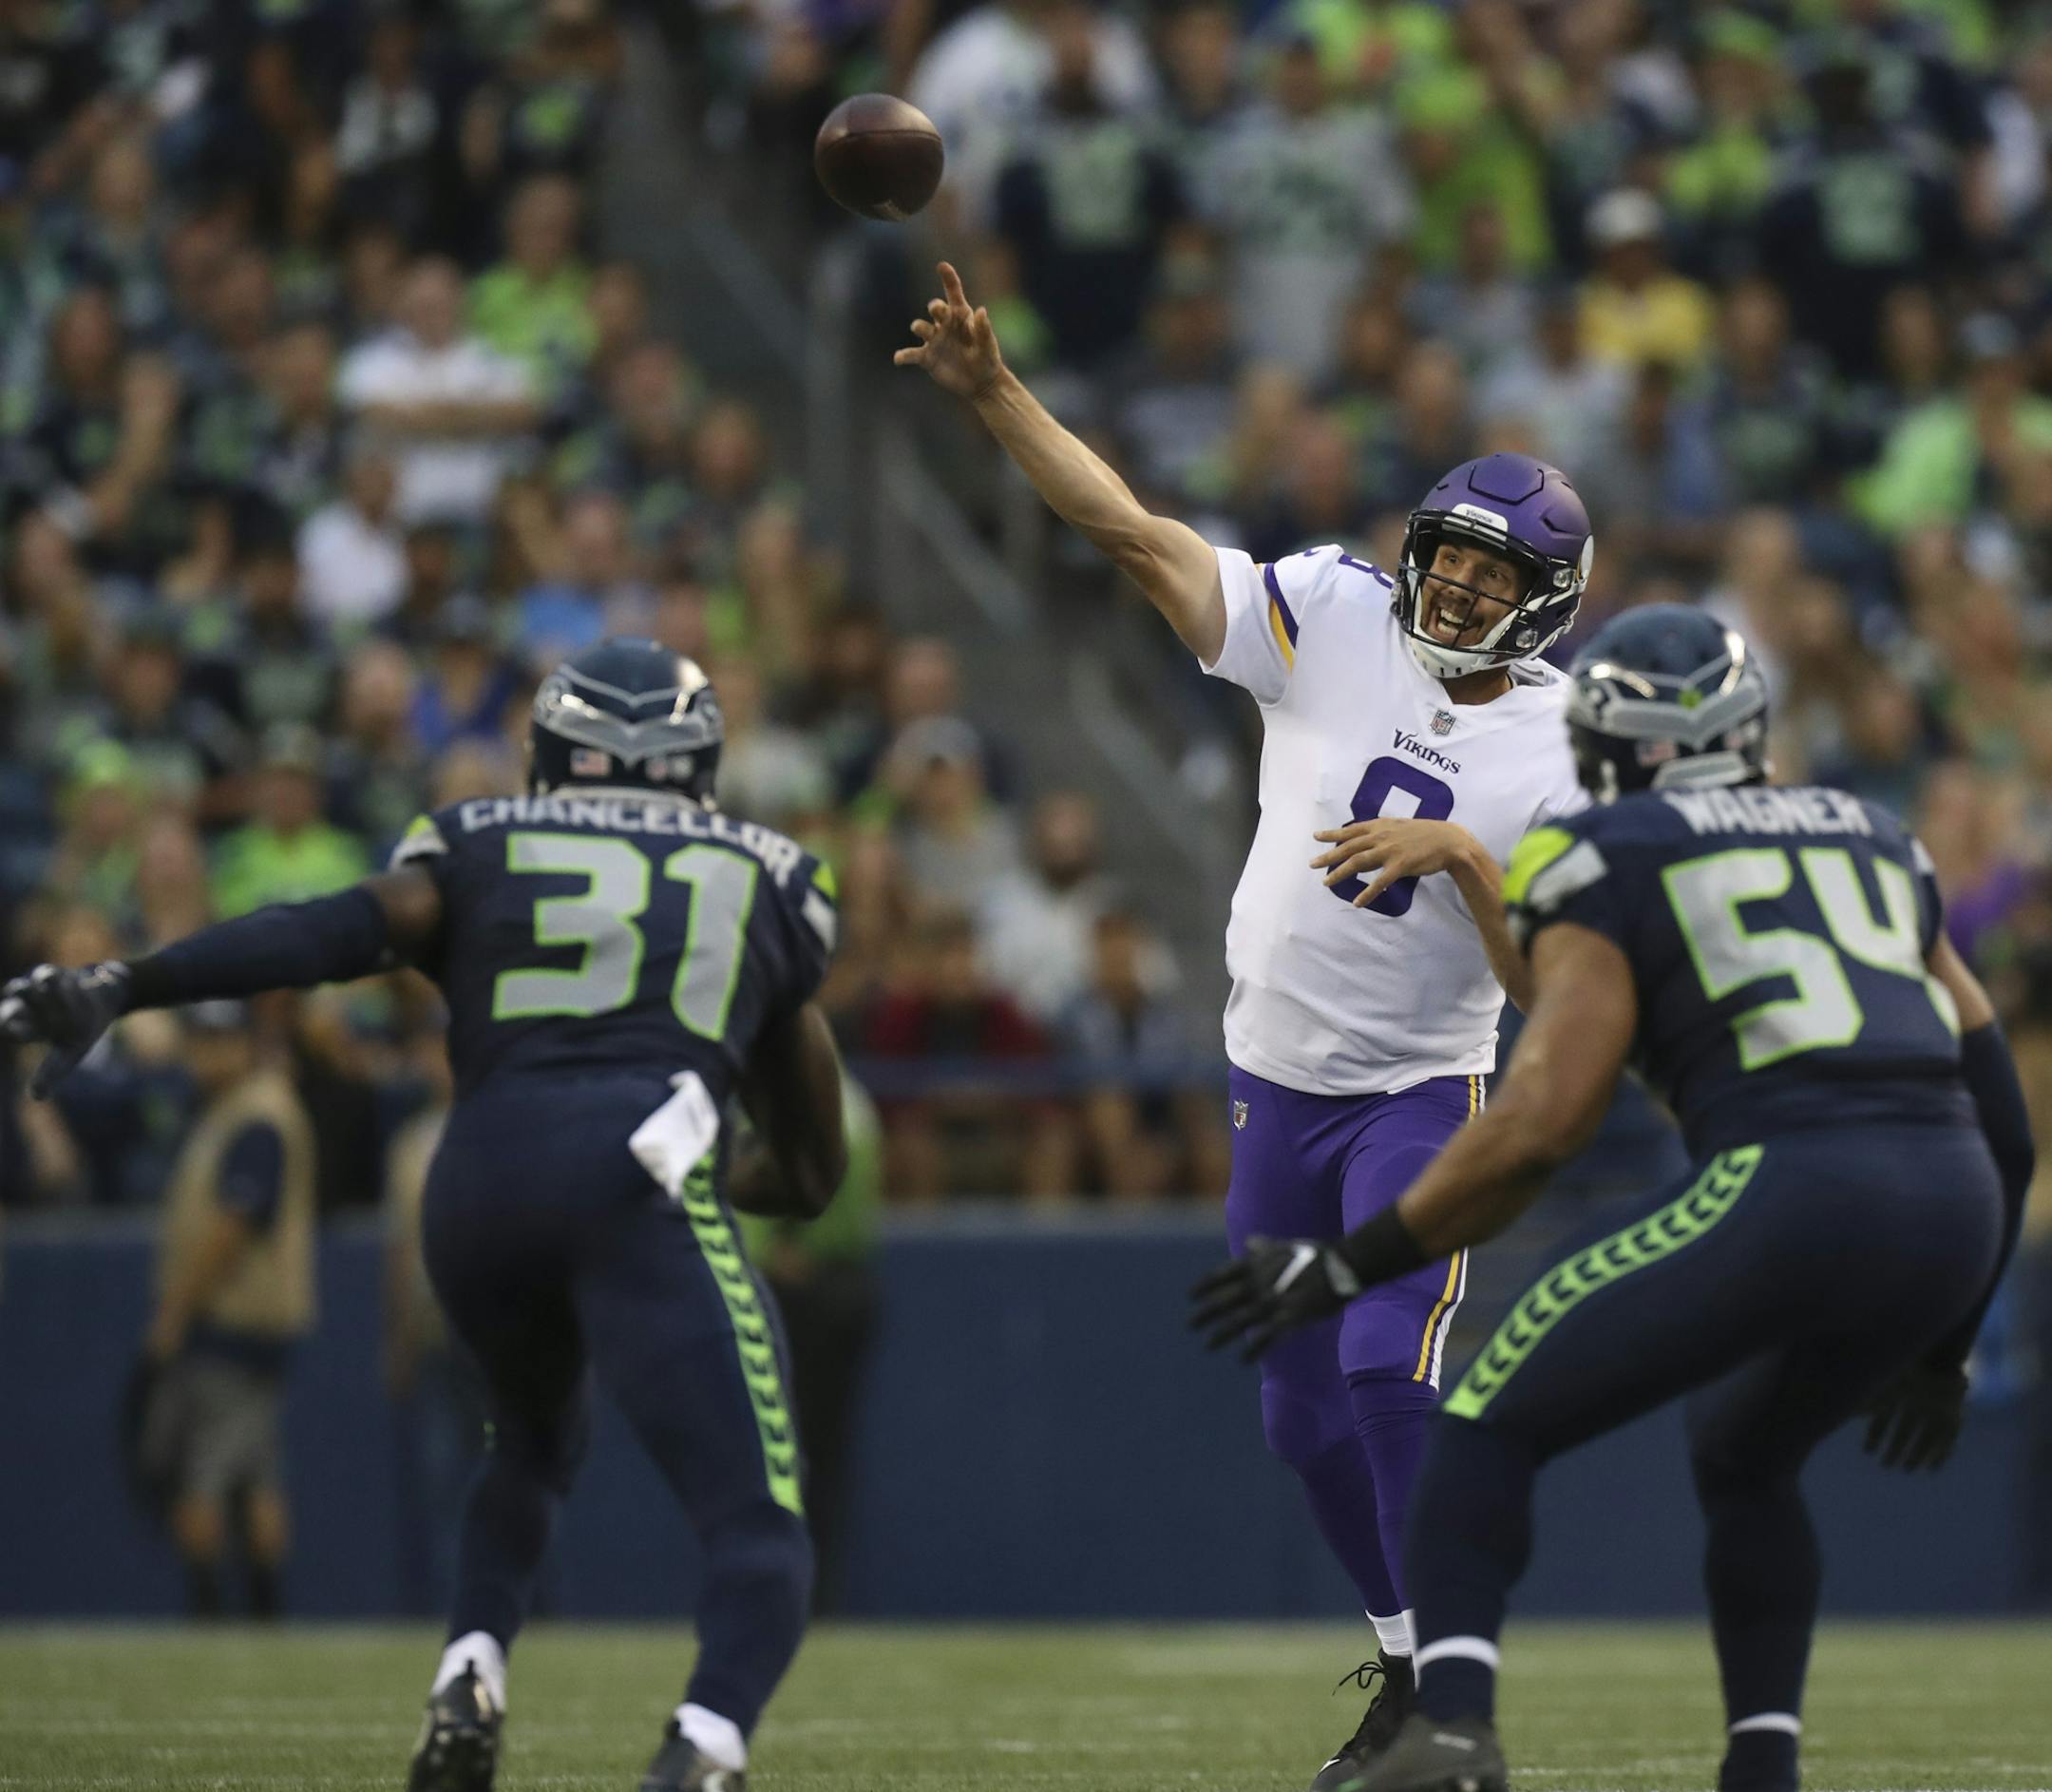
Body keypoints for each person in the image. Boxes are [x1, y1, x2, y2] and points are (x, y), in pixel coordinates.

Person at [896, 260, 1592, 1787]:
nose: (1463, 586)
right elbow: (1136, 534)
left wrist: (1468, 859)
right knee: (1293, 1417)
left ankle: (1458, 1704)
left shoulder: (1561, 755)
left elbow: (1554, 999)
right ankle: (1412, 1670)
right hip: (1270, 1087)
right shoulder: (1335, 615)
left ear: (1542, 601)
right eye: (1453, 556)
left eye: (1493, 574)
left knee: (1375, 1366)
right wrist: (998, 393)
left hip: (1423, 1090)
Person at [1192, 605, 2035, 1792]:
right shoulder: (1871, 831)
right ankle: (1762, 1765)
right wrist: (1945, 1344)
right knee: (1745, 1450)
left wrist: (1344, 1266)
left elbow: (1542, 1124)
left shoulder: (1607, 851)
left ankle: (1455, 1739)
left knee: (1480, 1424)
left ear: (1607, 740)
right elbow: (2000, 1104)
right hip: (1952, 1197)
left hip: (1787, 1176)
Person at [1, 637, 848, 1792]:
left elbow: (329, 931)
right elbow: (809, 1168)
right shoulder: (772, 872)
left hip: (477, 1178)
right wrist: (713, 1175)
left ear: (555, 747)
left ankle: (470, 1665)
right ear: (699, 760)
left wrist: (129, 980)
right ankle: (704, 1745)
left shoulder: (480, 837)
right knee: (761, 1522)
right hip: (637, 1173)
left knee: (528, 1448)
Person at [139, 1000, 318, 1618]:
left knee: (205, 1476)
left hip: (230, 1322)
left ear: (247, 1044)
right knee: (257, 1472)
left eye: (223, 1041)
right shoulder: (229, 1112)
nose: (210, 1054)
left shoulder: (255, 1116)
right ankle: (263, 1613)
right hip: (246, 1324)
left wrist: (175, 1313)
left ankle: (214, 1612)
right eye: (202, 1041)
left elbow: (232, 1226)